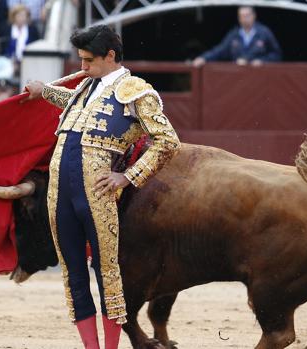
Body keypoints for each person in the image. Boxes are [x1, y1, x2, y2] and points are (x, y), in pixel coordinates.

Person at [24, 25, 180, 349]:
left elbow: (168, 141)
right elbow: (76, 105)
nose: (82, 67)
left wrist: (128, 177)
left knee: (107, 275)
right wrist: (45, 90)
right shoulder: (86, 87)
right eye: (80, 59)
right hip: (60, 193)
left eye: (88, 60)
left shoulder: (136, 90)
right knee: (73, 274)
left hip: (96, 194)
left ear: (110, 56)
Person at [192, 6, 281, 67]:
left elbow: (277, 54)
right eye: (242, 16)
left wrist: (262, 61)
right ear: (239, 18)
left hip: (261, 76)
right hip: (239, 78)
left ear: (254, 16)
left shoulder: (264, 32)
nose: (245, 19)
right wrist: (204, 58)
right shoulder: (234, 34)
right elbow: (220, 50)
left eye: (247, 15)